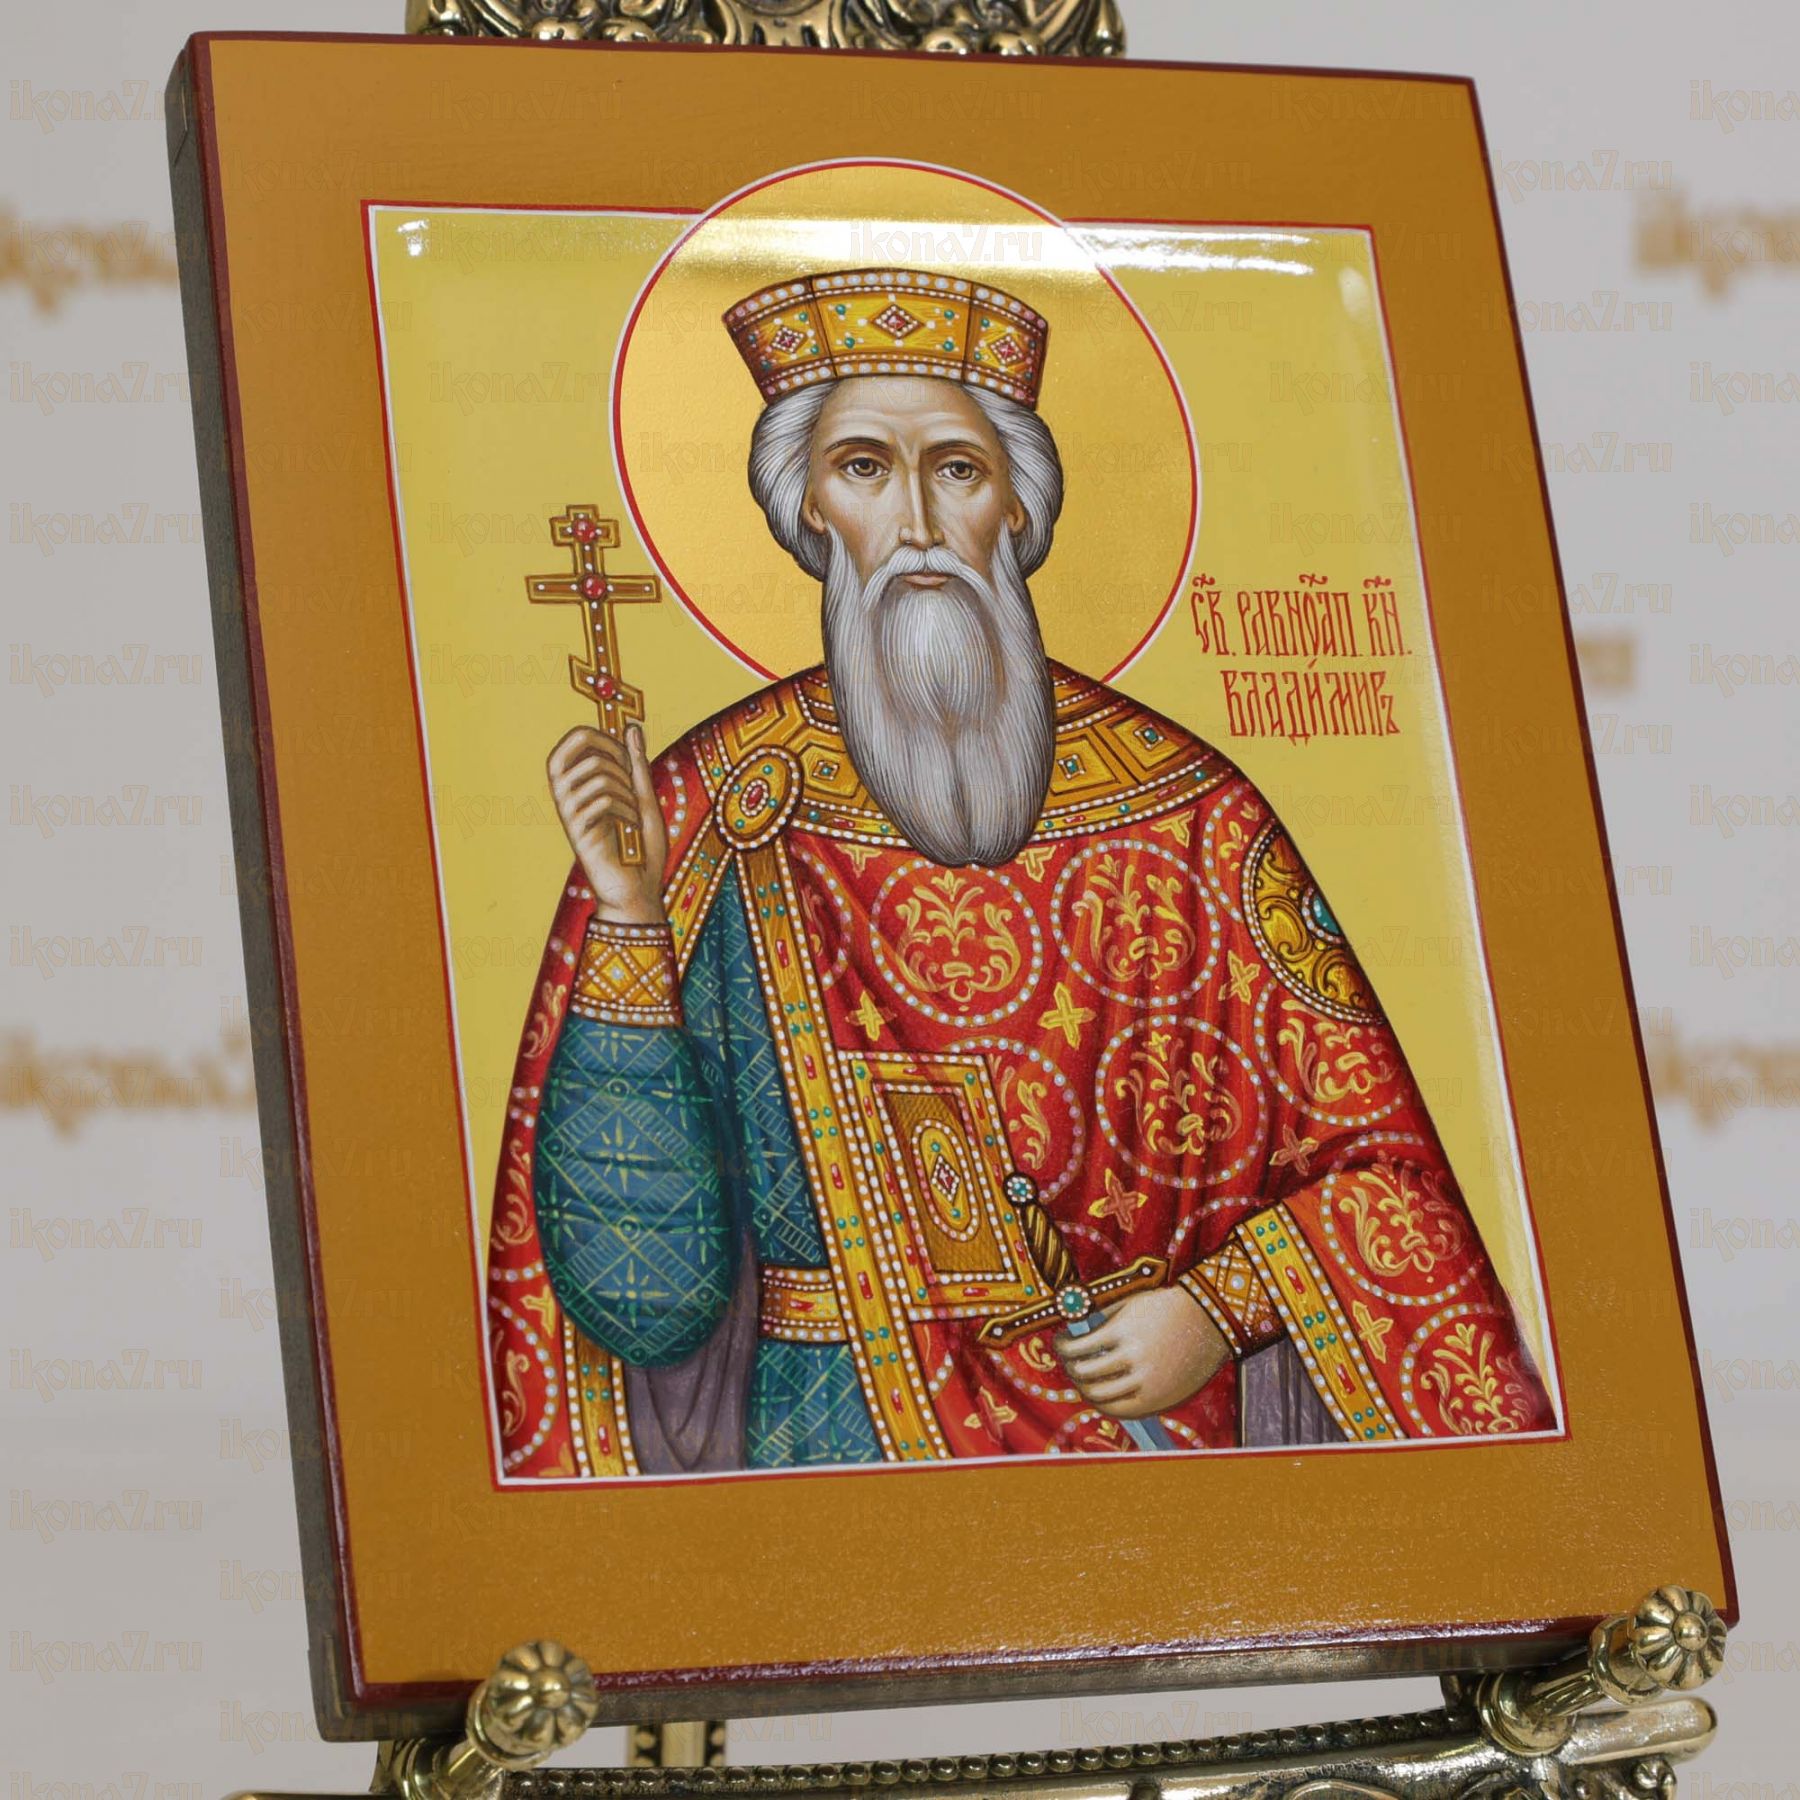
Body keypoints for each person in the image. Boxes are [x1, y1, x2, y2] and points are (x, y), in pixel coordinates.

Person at [486, 267, 1554, 1478]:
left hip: (1158, 1459)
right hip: (832, 1449)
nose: (917, 523)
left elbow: (1393, 1184)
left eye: (956, 468)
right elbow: (643, 1299)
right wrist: (629, 919)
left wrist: (1220, 1307)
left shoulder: (1194, 816)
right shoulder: (718, 810)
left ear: (1018, 507)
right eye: (863, 468)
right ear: (809, 511)